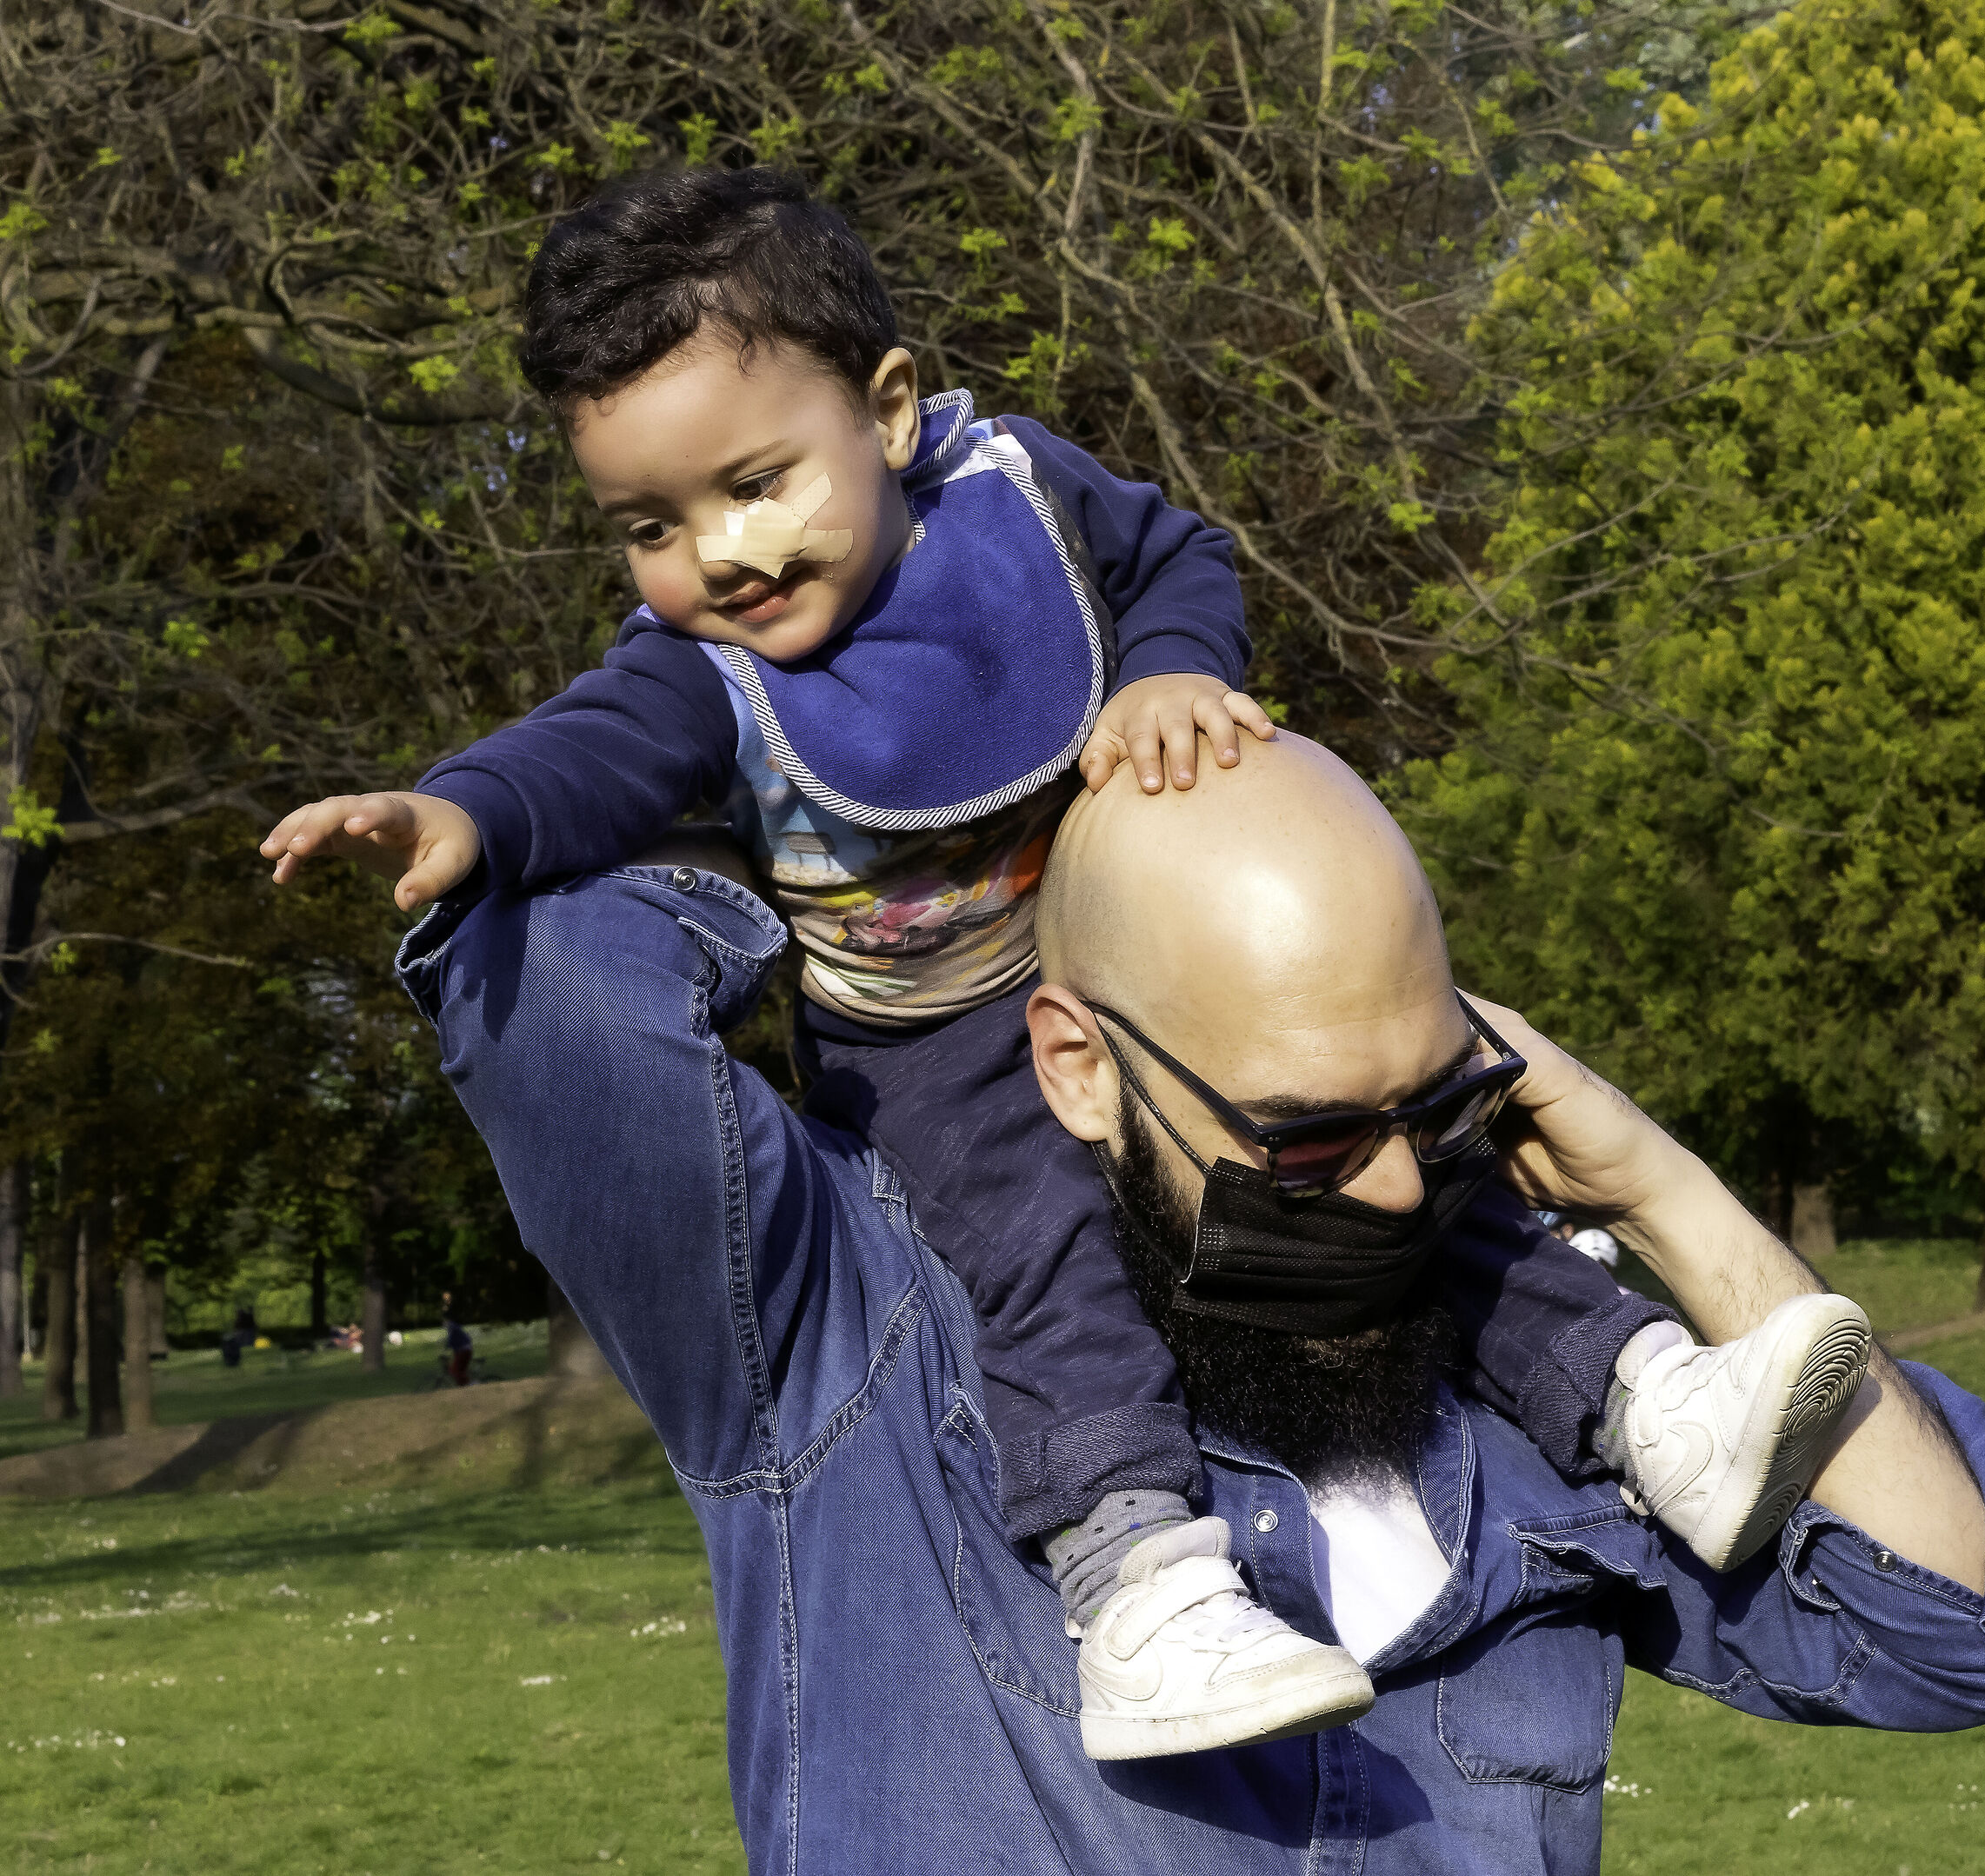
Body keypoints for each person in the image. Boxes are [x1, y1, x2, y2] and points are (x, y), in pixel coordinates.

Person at [266, 165, 1870, 1759]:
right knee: (1048, 1265)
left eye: (754, 482)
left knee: (1368, 1165)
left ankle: (1649, 1397)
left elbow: (1181, 560)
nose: (720, 554)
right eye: (651, 526)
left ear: (890, 410)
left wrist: (1169, 674)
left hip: (1138, 971)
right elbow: (586, 752)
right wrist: (459, 808)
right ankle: (1142, 1586)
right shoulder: (704, 675)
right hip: (930, 1045)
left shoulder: (1018, 496)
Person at [387, 732, 1985, 1872]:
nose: (1395, 1189)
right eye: (1308, 1138)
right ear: (1076, 1066)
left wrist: (1659, 1192)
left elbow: (1955, 1636)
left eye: (1439, 1109)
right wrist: (805, 766)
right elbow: (545, 994)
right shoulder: (840, 1332)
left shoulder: (1547, 1407)